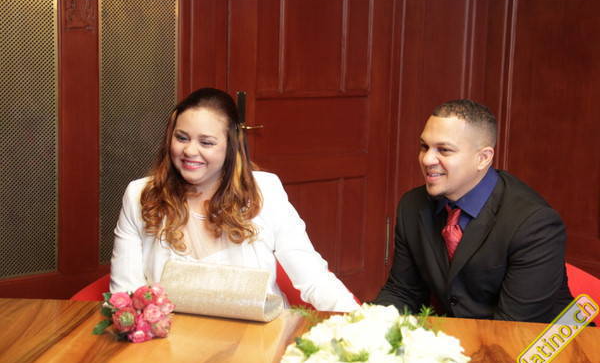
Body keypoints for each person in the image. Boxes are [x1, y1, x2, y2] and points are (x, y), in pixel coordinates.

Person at [110, 87, 359, 312]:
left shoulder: (265, 191)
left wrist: (359, 323)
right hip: (171, 338)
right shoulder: (140, 196)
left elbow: (313, 278)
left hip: (258, 337)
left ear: (231, 146)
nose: (189, 151)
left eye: (206, 142)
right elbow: (125, 293)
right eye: (182, 138)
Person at [375, 99, 573, 322]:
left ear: (483, 158)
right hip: (462, 335)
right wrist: (368, 329)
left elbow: (513, 326)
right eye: (424, 147)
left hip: (537, 339)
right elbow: (403, 291)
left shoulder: (534, 223)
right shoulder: (412, 205)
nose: (427, 159)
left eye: (444, 150)